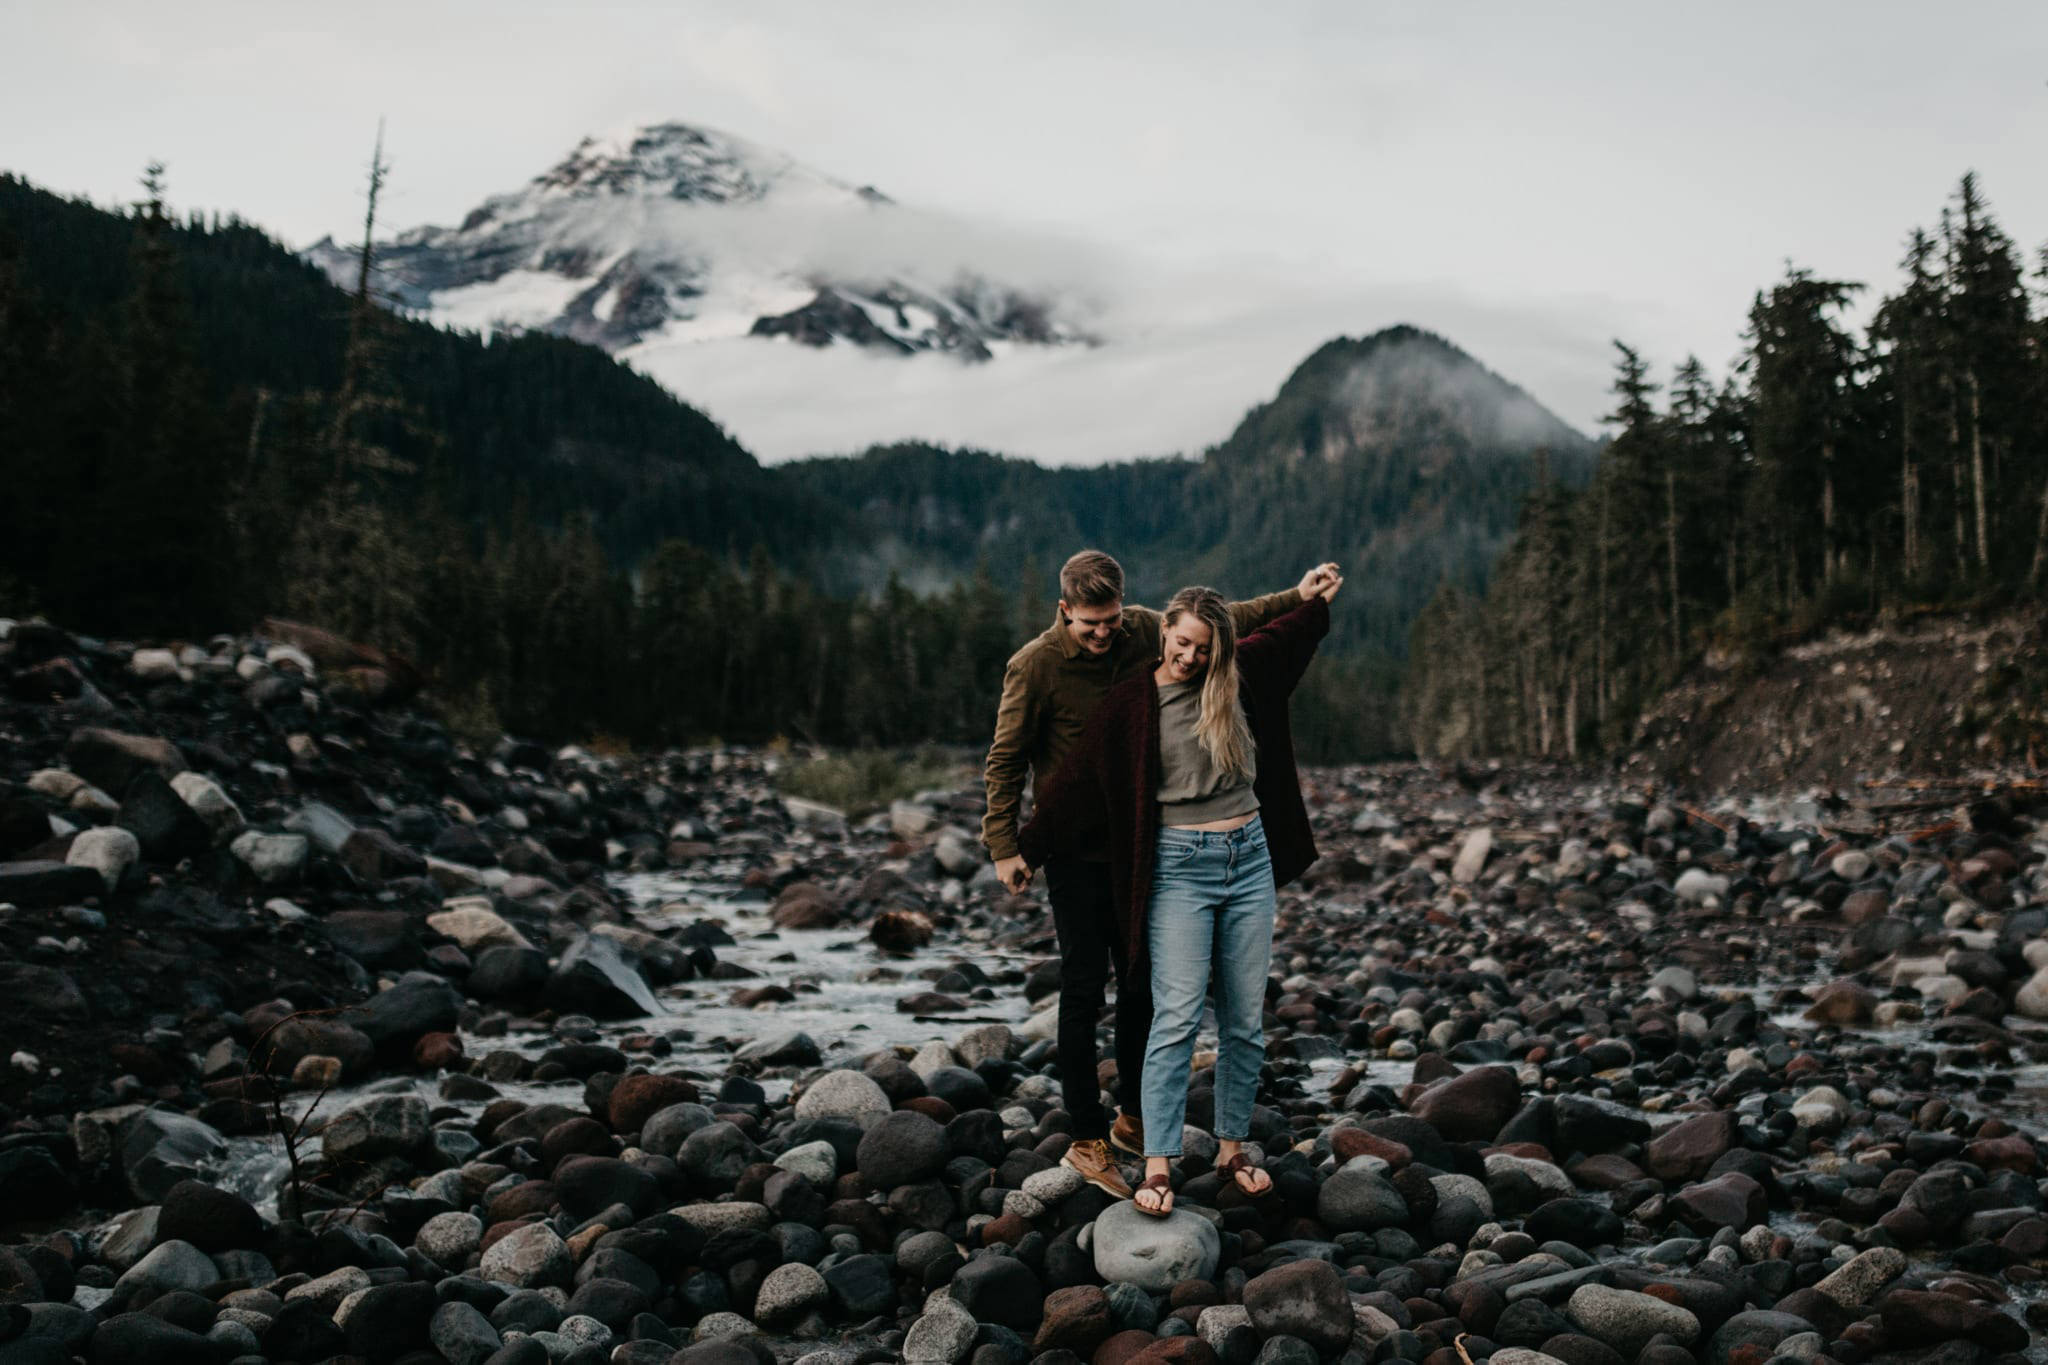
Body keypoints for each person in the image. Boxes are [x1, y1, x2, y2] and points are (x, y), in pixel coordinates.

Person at [983, 551, 1338, 1197]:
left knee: (1154, 993)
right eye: (1090, 623)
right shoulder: (1045, 668)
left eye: (1111, 620)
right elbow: (1019, 762)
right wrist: (1010, 844)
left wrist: (1301, 595)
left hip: (1147, 850)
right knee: (1091, 991)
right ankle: (1093, 1139)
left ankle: (1145, 1124)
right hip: (1095, 854)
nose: (1103, 632)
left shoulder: (1158, 636)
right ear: (1065, 611)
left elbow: (1234, 620)